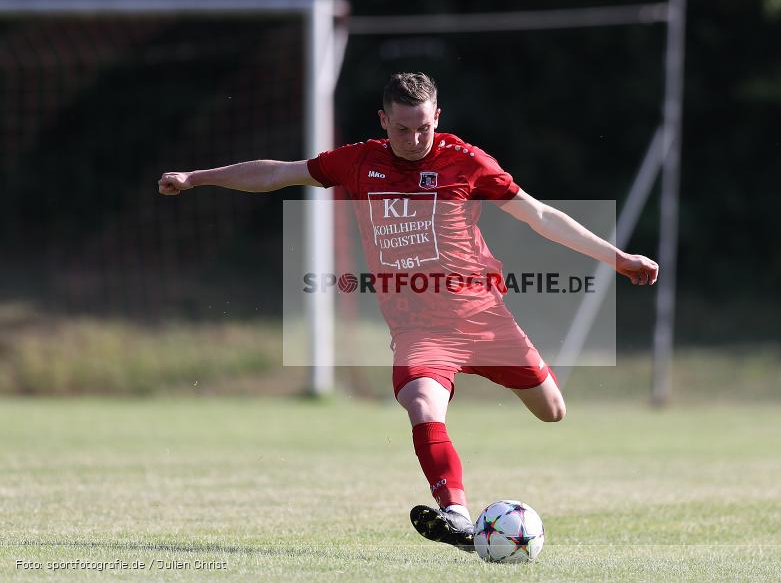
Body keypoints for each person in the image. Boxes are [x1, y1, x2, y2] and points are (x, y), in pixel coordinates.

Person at [158, 72, 658, 552]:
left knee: (552, 410)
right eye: (402, 128)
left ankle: (465, 501)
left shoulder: (466, 161)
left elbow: (541, 215)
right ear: (382, 120)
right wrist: (195, 178)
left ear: (438, 116)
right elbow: (275, 173)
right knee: (422, 401)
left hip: (483, 315)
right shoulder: (357, 162)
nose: (415, 139)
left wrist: (619, 259)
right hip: (421, 328)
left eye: (425, 127)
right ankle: (457, 516)